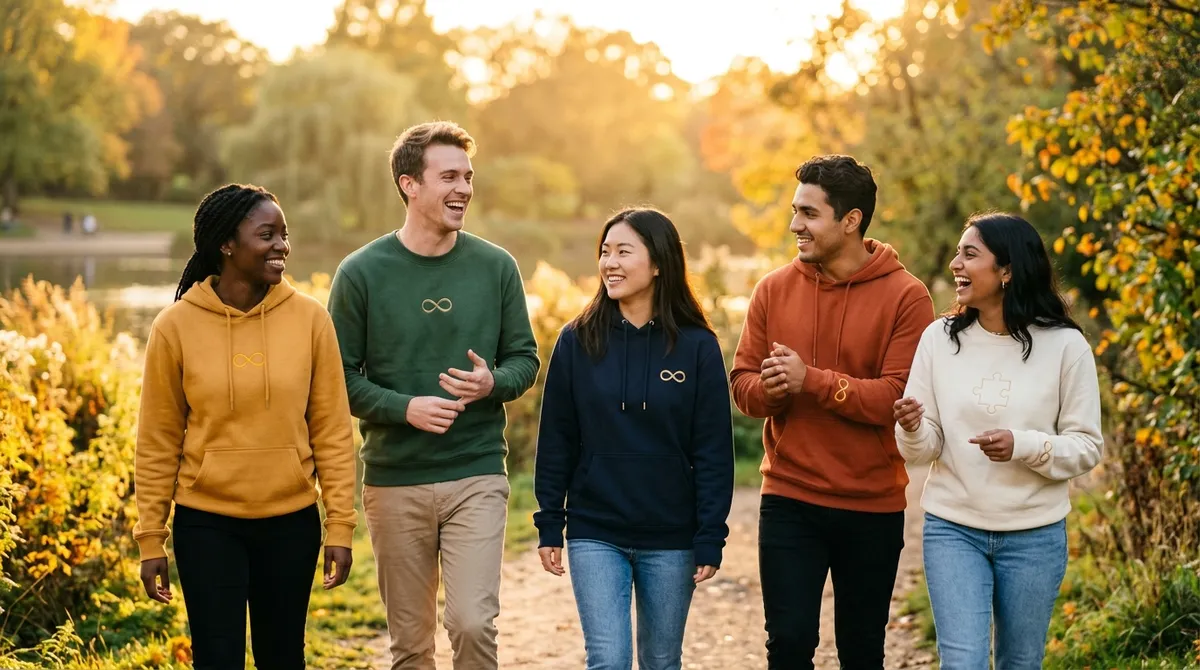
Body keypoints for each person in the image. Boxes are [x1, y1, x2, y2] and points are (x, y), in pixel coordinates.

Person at [327, 120, 540, 670]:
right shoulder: (360, 274)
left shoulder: (496, 267)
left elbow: (526, 361)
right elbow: (338, 380)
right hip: (395, 481)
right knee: (411, 644)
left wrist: (493, 382)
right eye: (449, 176)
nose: (464, 188)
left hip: (476, 473)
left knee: (472, 623)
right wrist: (405, 408)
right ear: (409, 185)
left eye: (468, 176)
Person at [133, 183, 358, 670]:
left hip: (291, 521)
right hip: (206, 524)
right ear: (226, 244)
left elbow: (333, 431)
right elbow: (157, 441)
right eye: (267, 234)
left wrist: (339, 525)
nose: (282, 246)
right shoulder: (174, 327)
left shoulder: (311, 320)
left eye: (284, 234)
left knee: (283, 658)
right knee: (216, 660)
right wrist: (151, 536)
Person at [729, 154, 935, 669]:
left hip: (872, 504)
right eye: (795, 211)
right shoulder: (773, 289)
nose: (795, 225)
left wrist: (811, 381)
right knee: (790, 643)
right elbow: (743, 387)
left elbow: (894, 397)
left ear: (851, 221)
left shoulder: (907, 297)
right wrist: (775, 389)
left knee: (861, 651)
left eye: (809, 214)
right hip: (790, 497)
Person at [893, 212, 1103, 668]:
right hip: (953, 528)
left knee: (1020, 662)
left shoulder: (1067, 347)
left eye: (970, 254)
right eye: (956, 252)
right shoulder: (939, 340)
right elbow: (924, 448)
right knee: (962, 661)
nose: (955, 264)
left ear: (1007, 270)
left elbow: (1087, 445)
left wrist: (1022, 446)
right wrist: (911, 427)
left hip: (1035, 535)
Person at [533, 208, 736, 670]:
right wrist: (550, 521)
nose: (610, 263)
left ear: (659, 262)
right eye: (605, 252)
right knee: (608, 660)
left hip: (671, 536)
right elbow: (557, 439)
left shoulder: (697, 346)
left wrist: (710, 536)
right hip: (595, 530)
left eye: (624, 251)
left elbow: (712, 450)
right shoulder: (577, 341)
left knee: (662, 662)